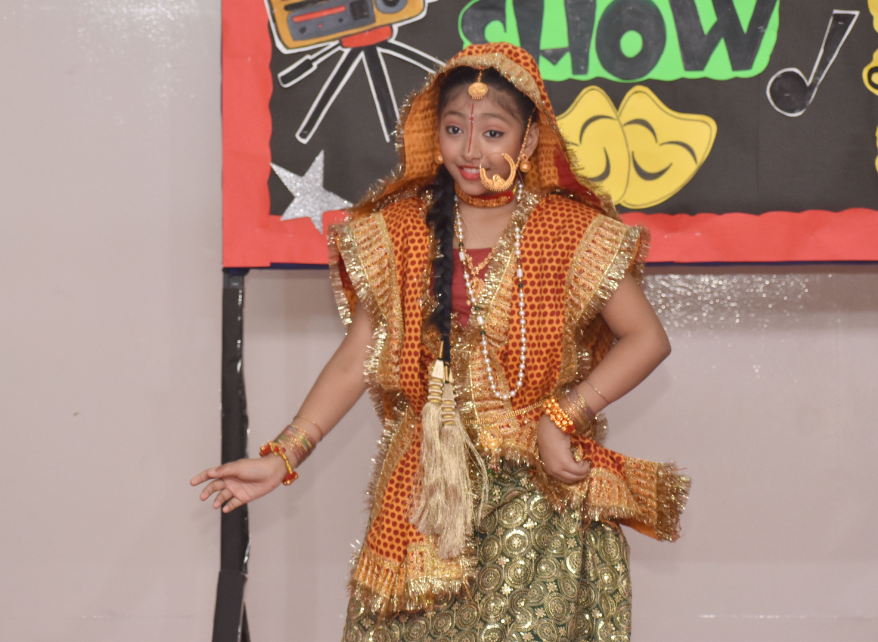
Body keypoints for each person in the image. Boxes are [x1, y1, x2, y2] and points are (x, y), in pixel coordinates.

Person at [192, 43, 689, 641]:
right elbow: (358, 358)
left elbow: (646, 338)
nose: (470, 151)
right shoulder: (402, 229)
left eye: (493, 133)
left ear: (530, 139)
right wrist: (284, 455)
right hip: (423, 498)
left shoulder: (570, 229)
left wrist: (563, 417)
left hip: (538, 493)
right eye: (455, 130)